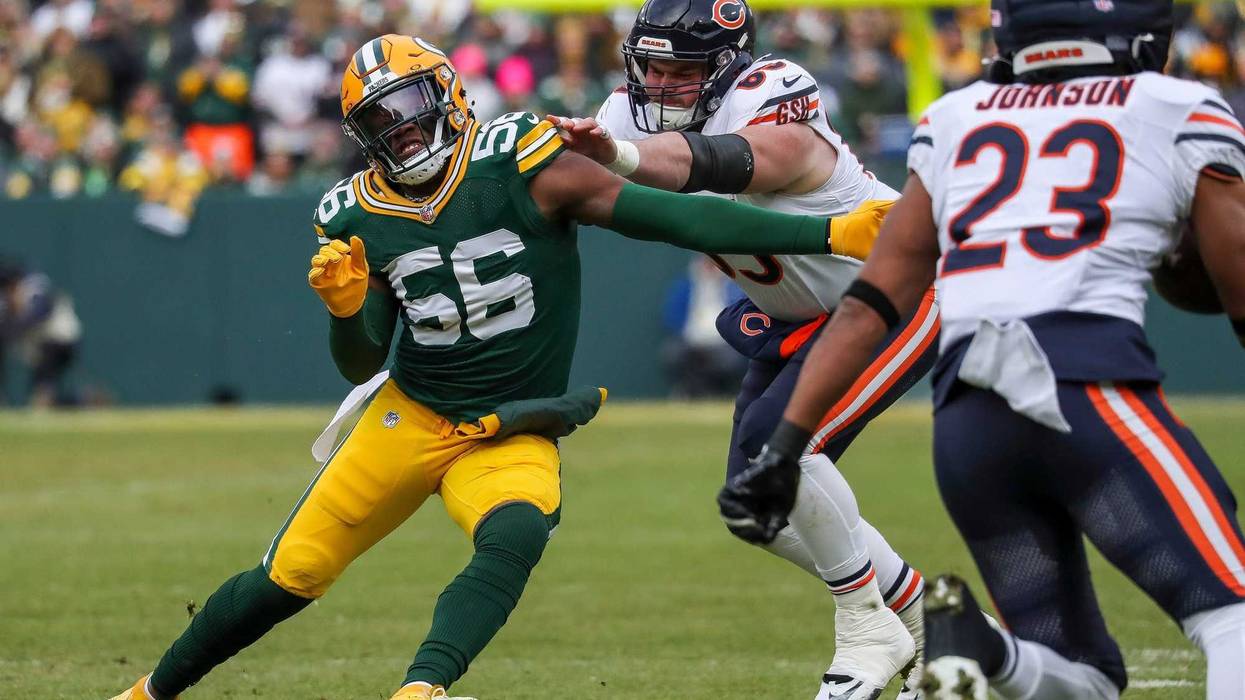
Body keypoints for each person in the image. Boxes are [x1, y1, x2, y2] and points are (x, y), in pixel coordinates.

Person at [109, 34, 891, 700]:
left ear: (448, 96)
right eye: (378, 120)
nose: (400, 132)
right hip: (412, 414)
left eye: (407, 107)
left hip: (508, 422)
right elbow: (361, 360)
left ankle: (423, 688)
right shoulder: (352, 211)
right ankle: (147, 692)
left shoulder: (519, 159)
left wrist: (826, 235)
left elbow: (674, 216)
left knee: (515, 529)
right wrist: (345, 311)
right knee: (291, 574)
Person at [720, 0, 1245, 698]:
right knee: (1231, 617)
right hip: (1089, 389)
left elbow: (870, 304)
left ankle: (983, 648)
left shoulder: (955, 117)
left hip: (971, 427)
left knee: (1084, 677)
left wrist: (784, 446)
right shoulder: (1176, 107)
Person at [549, 1, 935, 696]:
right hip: (797, 319)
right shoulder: (622, 117)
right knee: (755, 503)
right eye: (652, 67)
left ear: (727, 67)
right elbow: (591, 184)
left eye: (681, 70)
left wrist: (618, 156)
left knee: (784, 448)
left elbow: (732, 162)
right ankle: (930, 620)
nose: (660, 84)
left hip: (889, 293)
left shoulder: (771, 92)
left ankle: (864, 623)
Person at [0, 259, 82, 408]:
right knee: (42, 399)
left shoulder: (33, 287)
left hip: (61, 341)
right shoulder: (6, 300)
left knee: (42, 393)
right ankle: (83, 401)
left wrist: (12, 323)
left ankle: (80, 401)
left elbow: (40, 311)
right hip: (41, 345)